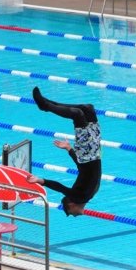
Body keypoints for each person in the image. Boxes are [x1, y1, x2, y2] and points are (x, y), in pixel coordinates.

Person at [26, 87, 102, 216]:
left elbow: (59, 187)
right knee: (88, 108)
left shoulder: (78, 197)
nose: (75, 215)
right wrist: (69, 149)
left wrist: (41, 181)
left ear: (71, 205)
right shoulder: (87, 196)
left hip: (88, 153)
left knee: (78, 114)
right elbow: (83, 169)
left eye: (71, 213)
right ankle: (46, 104)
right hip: (93, 151)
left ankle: (46, 105)